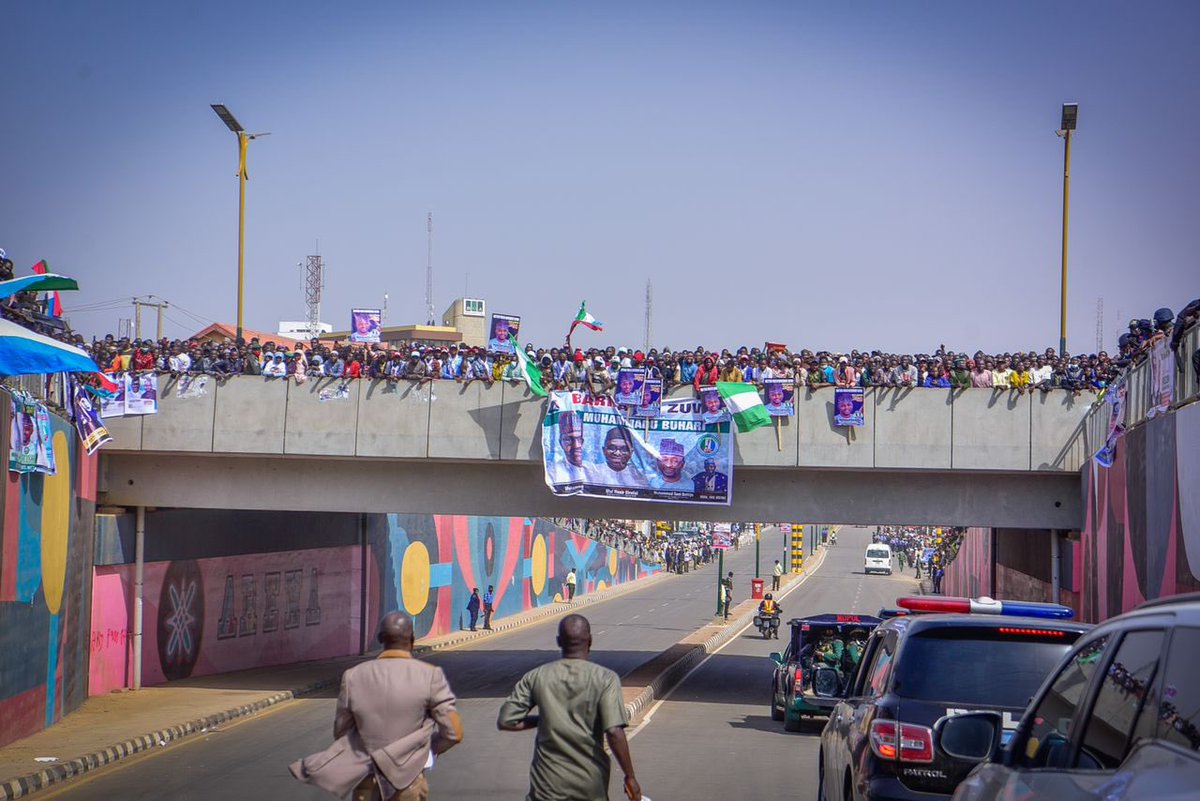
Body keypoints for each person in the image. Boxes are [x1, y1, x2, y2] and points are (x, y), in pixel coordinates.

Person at [291, 612, 462, 801]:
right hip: (409, 784)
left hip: (368, 782)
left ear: (381, 639)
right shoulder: (430, 676)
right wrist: (425, 750)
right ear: (412, 640)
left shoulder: (353, 676)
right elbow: (454, 733)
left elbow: (341, 732)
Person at [497, 614, 641, 801]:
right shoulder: (605, 679)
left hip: (545, 789)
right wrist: (630, 776)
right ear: (590, 641)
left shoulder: (537, 676)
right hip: (590, 787)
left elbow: (506, 721)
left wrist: (542, 719)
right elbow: (614, 731)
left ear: (559, 641)